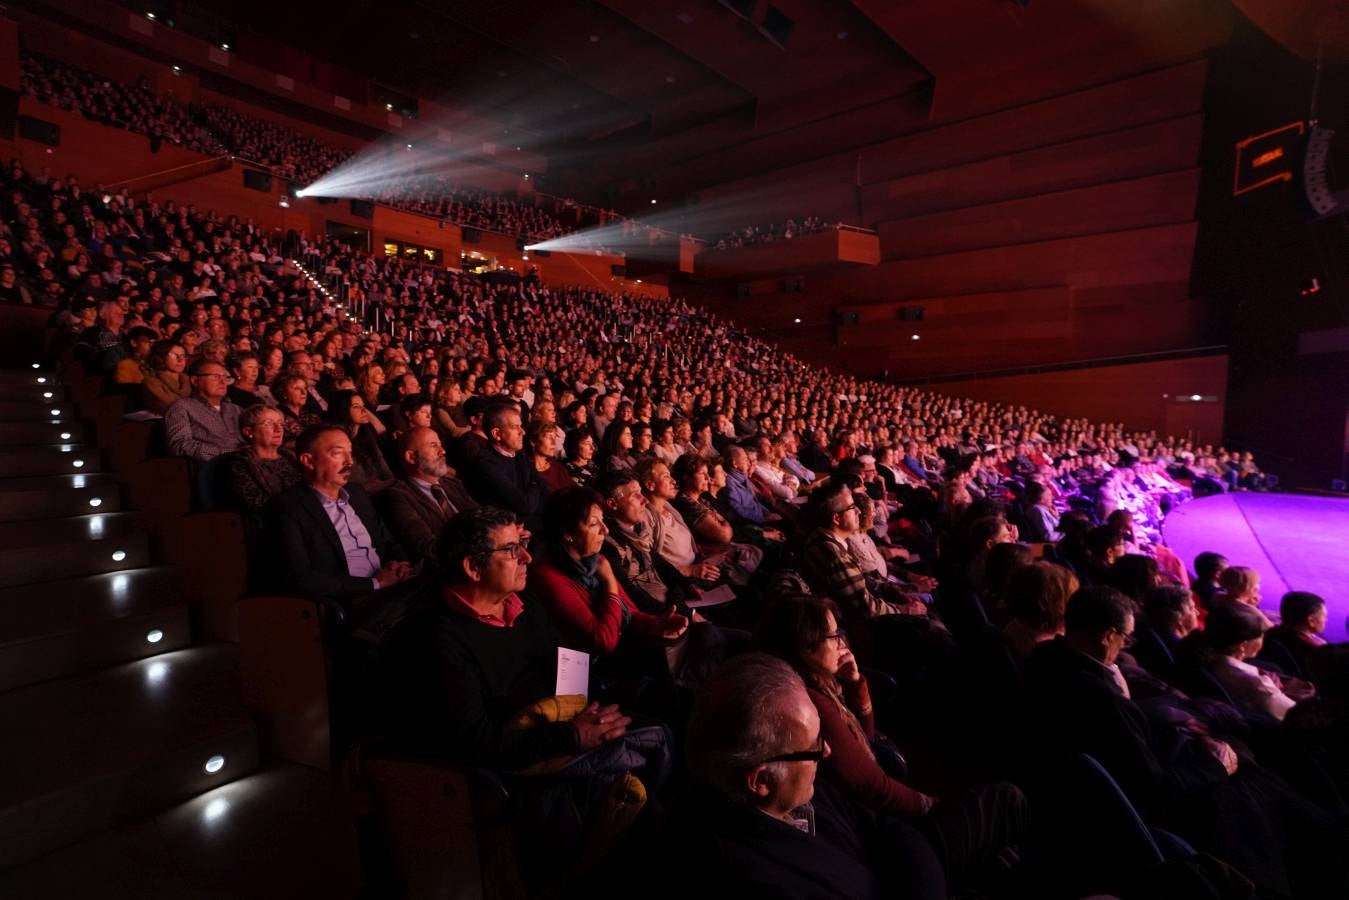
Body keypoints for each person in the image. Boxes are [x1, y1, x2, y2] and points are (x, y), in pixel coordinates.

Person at [754, 594, 1027, 894]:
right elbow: (875, 788)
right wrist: (932, 805)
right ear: (807, 648)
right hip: (900, 845)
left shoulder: (821, 685)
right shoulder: (812, 707)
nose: (841, 642)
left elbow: (865, 741)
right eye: (833, 636)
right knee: (1007, 800)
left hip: (892, 841)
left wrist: (855, 684)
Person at [674, 652, 946, 900]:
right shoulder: (757, 880)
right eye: (815, 744)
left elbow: (885, 827)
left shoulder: (794, 785)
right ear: (761, 781)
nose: (826, 751)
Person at [527, 486, 687, 657]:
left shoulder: (594, 560)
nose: (606, 530)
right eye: (594, 524)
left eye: (603, 520)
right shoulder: (547, 577)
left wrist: (657, 624)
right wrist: (610, 581)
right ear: (568, 533)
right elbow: (603, 641)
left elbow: (630, 613)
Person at [263, 423, 411, 602]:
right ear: (308, 461)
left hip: (393, 589)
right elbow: (300, 577)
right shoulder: (286, 508)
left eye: (350, 452)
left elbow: (386, 540)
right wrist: (376, 583)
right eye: (337, 453)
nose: (350, 461)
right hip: (354, 602)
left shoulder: (357, 493)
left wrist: (401, 563)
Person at [801, 481, 924, 621]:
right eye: (852, 507)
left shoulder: (819, 536)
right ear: (836, 518)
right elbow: (866, 608)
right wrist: (905, 609)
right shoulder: (837, 557)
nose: (858, 511)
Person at [377, 426, 478, 565]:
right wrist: (481, 546)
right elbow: (427, 547)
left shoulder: (452, 484)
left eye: (441, 445)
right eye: (433, 445)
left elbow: (480, 515)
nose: (443, 451)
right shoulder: (397, 496)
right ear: (411, 457)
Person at [1202, 601, 1301, 722]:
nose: (1262, 640)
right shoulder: (1258, 683)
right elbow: (1296, 713)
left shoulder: (1205, 659)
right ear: (1242, 646)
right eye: (1260, 636)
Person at [220, 404, 300, 533]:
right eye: (268, 424)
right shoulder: (238, 463)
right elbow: (257, 504)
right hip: (272, 527)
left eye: (280, 424)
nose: (278, 429)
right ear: (249, 432)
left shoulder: (289, 456)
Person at [471, 400, 546, 532]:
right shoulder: (485, 464)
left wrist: (533, 486)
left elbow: (542, 484)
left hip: (534, 521)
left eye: (521, 426)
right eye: (515, 427)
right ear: (497, 434)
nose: (522, 432)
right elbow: (525, 505)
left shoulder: (519, 454)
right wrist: (534, 484)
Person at [163, 358, 243, 462]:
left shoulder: (235, 409)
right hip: (216, 466)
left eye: (225, 377)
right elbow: (179, 444)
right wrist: (226, 452)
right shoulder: (182, 407)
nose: (223, 381)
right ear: (195, 381)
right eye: (215, 377)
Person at [326, 389, 394, 492]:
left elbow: (383, 467)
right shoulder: (336, 443)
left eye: (363, 406)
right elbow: (350, 483)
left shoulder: (365, 436)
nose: (364, 411)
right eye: (356, 407)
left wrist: (393, 484)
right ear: (343, 410)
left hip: (382, 489)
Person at [1262, 591, 1328, 679]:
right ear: (1311, 620)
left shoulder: (1268, 635)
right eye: (1324, 616)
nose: (1326, 620)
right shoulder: (1317, 653)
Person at [141, 339, 191, 415]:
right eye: (174, 355)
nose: (180, 360)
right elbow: (173, 406)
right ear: (161, 357)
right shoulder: (151, 382)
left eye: (183, 356)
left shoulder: (189, 379)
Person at [529, 419, 574, 493]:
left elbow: (576, 490)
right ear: (533, 441)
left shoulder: (556, 466)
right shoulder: (527, 471)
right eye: (549, 437)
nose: (554, 442)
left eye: (554, 438)